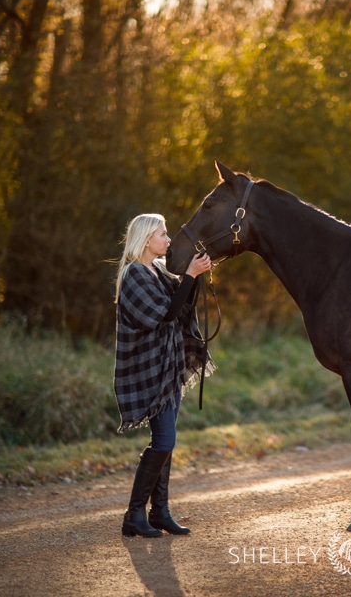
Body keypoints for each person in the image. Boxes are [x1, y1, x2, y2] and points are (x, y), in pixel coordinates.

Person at [114, 213, 214, 537]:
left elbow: (182, 304)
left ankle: (159, 512)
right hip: (147, 369)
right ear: (146, 240)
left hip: (167, 367)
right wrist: (189, 274)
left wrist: (194, 275)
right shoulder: (133, 275)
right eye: (163, 234)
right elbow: (165, 314)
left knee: (166, 442)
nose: (169, 240)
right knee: (164, 440)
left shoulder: (155, 270)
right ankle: (133, 516)